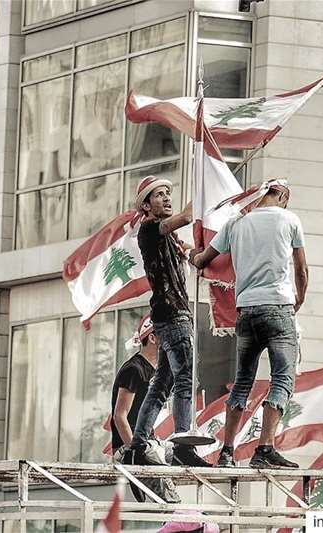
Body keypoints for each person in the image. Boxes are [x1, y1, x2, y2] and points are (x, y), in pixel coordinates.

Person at [190, 178, 308, 469]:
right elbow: (301, 269)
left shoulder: (235, 223)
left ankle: (227, 452)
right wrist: (299, 300)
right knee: (283, 376)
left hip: (246, 311)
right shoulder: (290, 220)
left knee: (243, 381)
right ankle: (265, 448)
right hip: (278, 307)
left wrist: (190, 252)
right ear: (280, 194)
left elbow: (203, 259)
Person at [125, 175, 211, 468]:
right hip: (173, 313)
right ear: (147, 205)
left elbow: (195, 255)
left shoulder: (169, 239)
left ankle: (138, 443)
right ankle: (183, 444)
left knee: (162, 382)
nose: (166, 198)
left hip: (167, 315)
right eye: (159, 194)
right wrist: (205, 184)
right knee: (185, 376)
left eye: (167, 193)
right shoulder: (150, 229)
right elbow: (186, 216)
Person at [110, 315, 157, 461]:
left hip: (145, 443)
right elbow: (119, 415)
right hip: (128, 446)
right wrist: (135, 451)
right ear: (152, 338)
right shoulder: (134, 369)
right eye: (167, 333)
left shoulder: (157, 370)